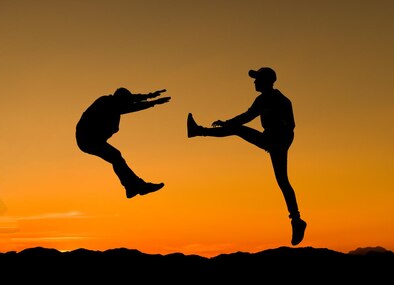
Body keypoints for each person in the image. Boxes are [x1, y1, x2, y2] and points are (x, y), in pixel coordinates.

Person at [187, 67, 307, 246]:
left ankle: (296, 220)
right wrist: (227, 123)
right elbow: (247, 116)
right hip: (269, 140)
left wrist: (278, 143)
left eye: (257, 79)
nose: (254, 82)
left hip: (278, 143)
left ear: (266, 81)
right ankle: (198, 131)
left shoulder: (282, 101)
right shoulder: (261, 100)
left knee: (283, 181)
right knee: (282, 180)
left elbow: (291, 126)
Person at [77, 87, 171, 198]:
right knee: (115, 156)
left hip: (91, 138)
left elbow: (131, 100)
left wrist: (150, 95)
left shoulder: (114, 102)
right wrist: (152, 102)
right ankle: (136, 186)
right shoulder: (107, 103)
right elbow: (131, 107)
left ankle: (131, 187)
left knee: (116, 157)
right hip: (88, 138)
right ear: (120, 99)